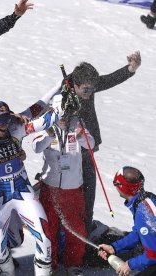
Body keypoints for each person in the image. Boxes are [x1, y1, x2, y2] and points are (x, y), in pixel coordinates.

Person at [0, 100, 65, 276]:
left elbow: (41, 122)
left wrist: (61, 108)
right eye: (0, 121)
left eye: (6, 120)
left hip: (23, 191)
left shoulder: (16, 129)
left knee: (44, 237)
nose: (5, 125)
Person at [53, 52, 141, 234]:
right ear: (75, 84)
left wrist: (130, 69)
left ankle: (84, 232)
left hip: (87, 148)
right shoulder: (61, 94)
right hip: (67, 154)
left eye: (93, 89)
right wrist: (61, 122)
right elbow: (46, 114)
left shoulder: (88, 83)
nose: (90, 93)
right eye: (86, 90)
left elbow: (109, 80)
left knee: (89, 194)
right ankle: (64, 233)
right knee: (69, 195)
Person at [32, 94, 95, 275]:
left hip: (73, 187)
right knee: (48, 227)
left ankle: (73, 263)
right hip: (50, 186)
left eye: (68, 113)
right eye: (61, 114)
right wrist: (49, 132)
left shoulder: (77, 123)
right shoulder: (45, 124)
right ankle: (48, 264)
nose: (65, 118)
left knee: (75, 228)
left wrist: (81, 137)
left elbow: (91, 143)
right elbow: (36, 147)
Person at [98, 167, 156, 276]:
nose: (114, 186)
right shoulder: (147, 199)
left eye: (116, 183)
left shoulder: (143, 213)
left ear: (123, 187)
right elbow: (138, 233)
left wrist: (130, 264)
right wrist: (114, 247)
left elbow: (153, 254)